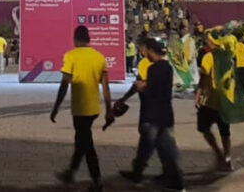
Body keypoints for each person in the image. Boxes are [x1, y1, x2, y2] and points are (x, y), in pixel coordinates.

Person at [50, 26, 113, 192]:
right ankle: (70, 174)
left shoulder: (71, 56)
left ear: (75, 39)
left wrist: (56, 107)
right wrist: (109, 110)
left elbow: (64, 84)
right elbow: (106, 87)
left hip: (79, 108)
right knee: (82, 141)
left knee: (86, 144)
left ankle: (97, 182)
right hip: (93, 108)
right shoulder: (99, 57)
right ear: (89, 39)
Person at [118, 37, 184, 191]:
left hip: (152, 115)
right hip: (166, 115)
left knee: (155, 148)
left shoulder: (152, 69)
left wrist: (142, 87)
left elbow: (151, 92)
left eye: (143, 49)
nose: (141, 52)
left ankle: (173, 181)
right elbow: (161, 88)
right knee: (159, 148)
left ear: (149, 50)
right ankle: (146, 173)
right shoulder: (167, 67)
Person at [196, 31, 233, 172]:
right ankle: (227, 158)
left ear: (212, 42)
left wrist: (198, 95)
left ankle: (219, 154)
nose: (207, 44)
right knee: (225, 131)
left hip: (210, 101)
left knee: (204, 128)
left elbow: (203, 78)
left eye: (208, 41)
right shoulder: (227, 57)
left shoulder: (208, 57)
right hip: (225, 101)